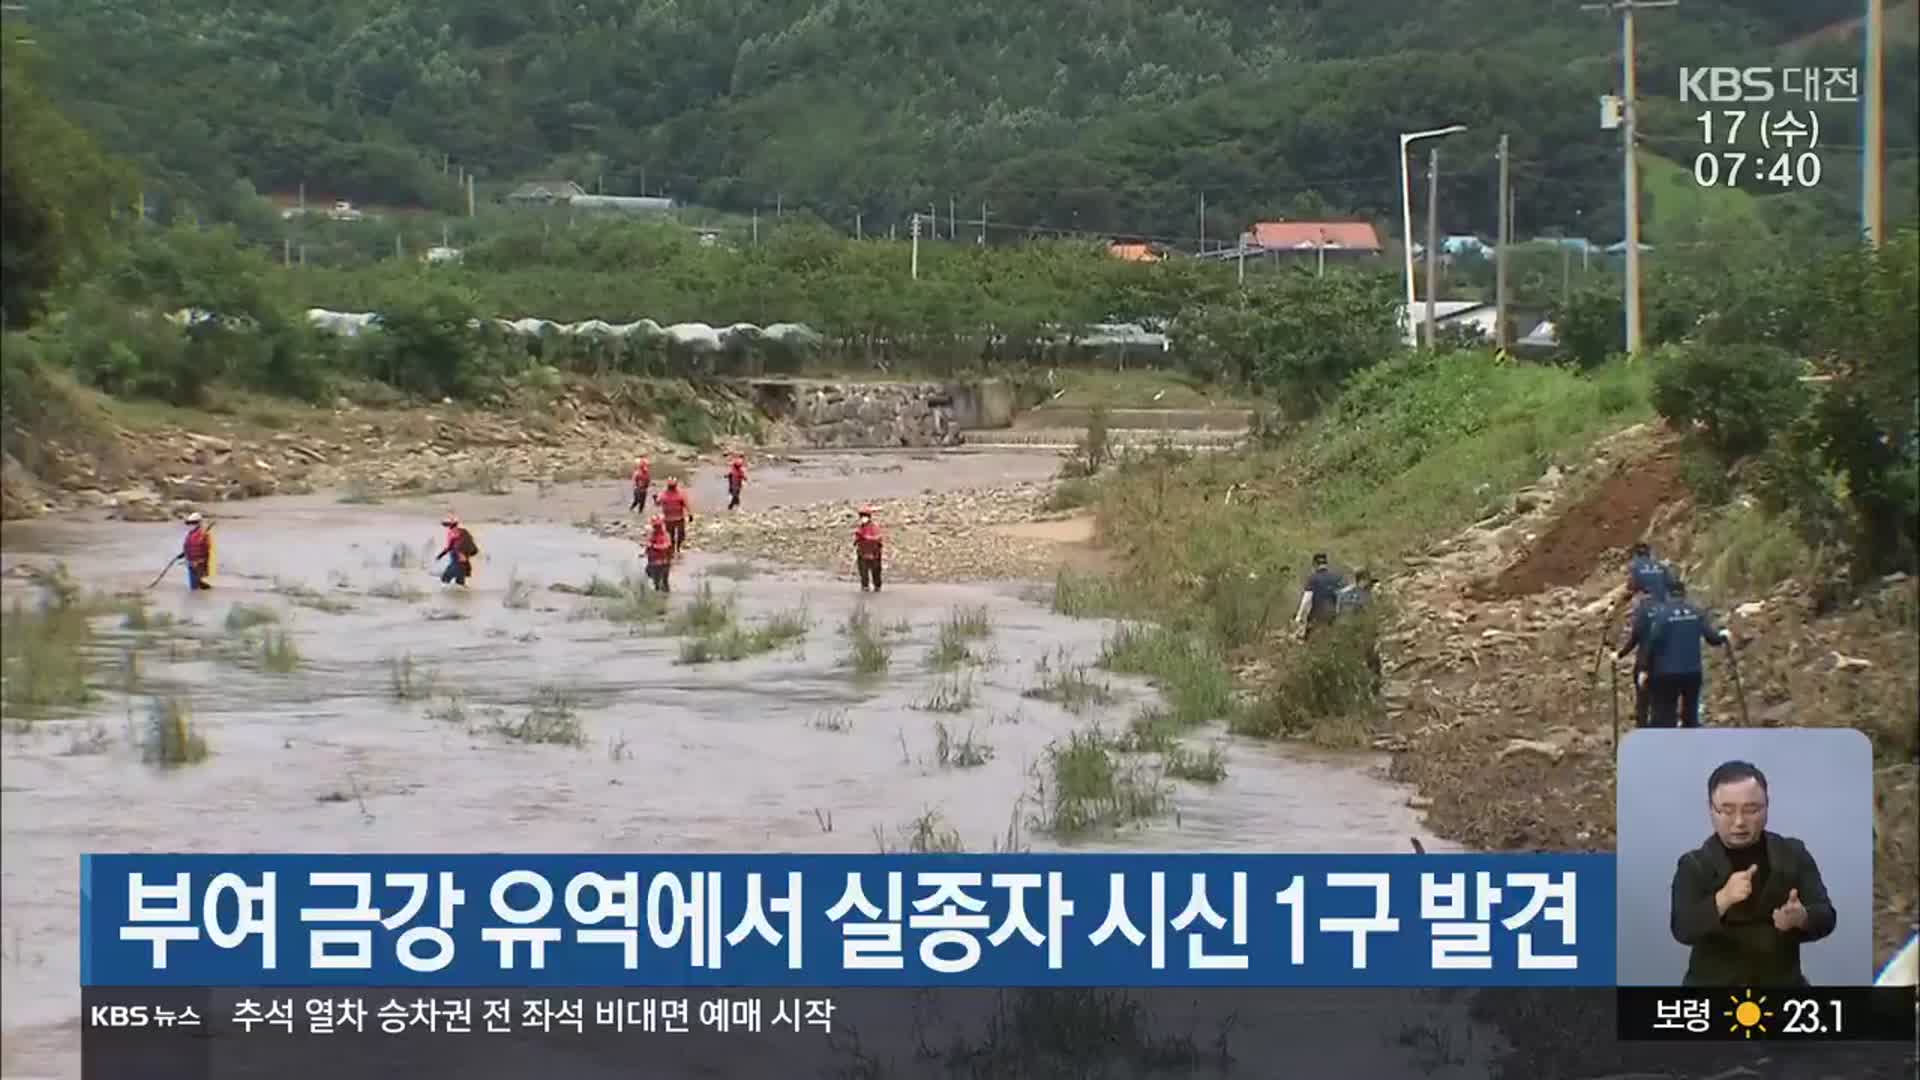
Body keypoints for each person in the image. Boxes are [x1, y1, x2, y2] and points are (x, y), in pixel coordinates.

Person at [1669, 760, 1837, 987]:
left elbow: (1826, 916)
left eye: (1751, 810)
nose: (1739, 822)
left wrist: (1802, 918)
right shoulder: (1694, 865)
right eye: (1727, 810)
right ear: (1711, 809)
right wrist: (1722, 899)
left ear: (1767, 807)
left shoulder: (1793, 853)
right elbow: (1682, 929)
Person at [1642, 578, 1731, 728]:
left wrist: (1645, 669)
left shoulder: (1662, 616)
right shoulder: (1696, 613)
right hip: (1692, 672)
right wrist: (1723, 636)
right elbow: (1712, 638)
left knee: (1666, 714)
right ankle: (1690, 745)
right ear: (1684, 594)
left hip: (1667, 673)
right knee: (1691, 714)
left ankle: (1667, 746)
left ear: (1668, 595)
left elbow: (1652, 643)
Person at [1293, 553, 1346, 640]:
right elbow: (1342, 596)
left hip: (1316, 615)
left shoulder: (1313, 578)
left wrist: (1299, 616)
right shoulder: (1336, 577)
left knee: (1309, 640)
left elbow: (1306, 599)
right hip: (1332, 615)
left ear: (1314, 564)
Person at [436, 514, 479, 587]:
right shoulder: (465, 531)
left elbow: (448, 547)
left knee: (445, 579)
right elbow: (474, 549)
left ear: (448, 525)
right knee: (460, 583)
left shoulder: (451, 533)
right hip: (464, 559)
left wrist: (440, 556)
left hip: (457, 557)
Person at [181, 512, 215, 591]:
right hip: (190, 562)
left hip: (199, 563)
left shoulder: (204, 534)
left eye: (193, 523)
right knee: (194, 587)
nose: (191, 525)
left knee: (198, 587)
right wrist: (184, 554)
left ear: (199, 523)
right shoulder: (191, 534)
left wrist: (201, 561)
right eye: (190, 523)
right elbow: (188, 546)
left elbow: (207, 548)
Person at [656, 478, 692, 553]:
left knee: (681, 535)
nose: (671, 487)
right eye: (670, 486)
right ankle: (672, 549)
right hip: (669, 519)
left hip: (678, 518)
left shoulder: (680, 494)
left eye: (672, 486)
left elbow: (686, 504)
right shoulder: (663, 494)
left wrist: (690, 514)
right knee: (671, 536)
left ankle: (678, 548)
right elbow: (657, 503)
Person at [854, 506, 885, 592]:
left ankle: (877, 586)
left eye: (865, 516)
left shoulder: (874, 527)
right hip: (863, 553)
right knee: (863, 571)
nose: (863, 518)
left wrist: (867, 538)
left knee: (876, 571)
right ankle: (865, 586)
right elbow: (857, 538)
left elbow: (878, 537)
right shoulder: (860, 528)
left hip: (874, 553)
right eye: (862, 516)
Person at [643, 515, 675, 593]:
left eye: (658, 526)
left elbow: (666, 546)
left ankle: (662, 597)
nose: (657, 528)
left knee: (664, 583)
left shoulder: (665, 535)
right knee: (657, 583)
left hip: (663, 562)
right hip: (655, 562)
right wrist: (646, 551)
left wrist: (653, 546)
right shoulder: (652, 535)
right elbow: (648, 547)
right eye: (655, 526)